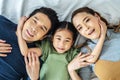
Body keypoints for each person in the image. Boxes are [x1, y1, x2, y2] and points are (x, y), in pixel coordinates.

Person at [18, 21, 93, 80]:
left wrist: (71, 69)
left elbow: (91, 58)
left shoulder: (73, 54)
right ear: (52, 38)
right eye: (58, 38)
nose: (61, 44)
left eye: (67, 40)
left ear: (72, 42)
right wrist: (19, 30)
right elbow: (26, 52)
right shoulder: (47, 48)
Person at [0, 7, 59, 80]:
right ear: (27, 19)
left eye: (42, 28)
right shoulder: (2, 23)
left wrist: (34, 78)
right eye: (34, 21)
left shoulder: (34, 59)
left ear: (43, 37)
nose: (34, 29)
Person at [71, 7, 120, 80]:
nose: (86, 27)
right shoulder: (85, 53)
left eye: (87, 20)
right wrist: (71, 70)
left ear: (96, 16)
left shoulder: (117, 33)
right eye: (80, 28)